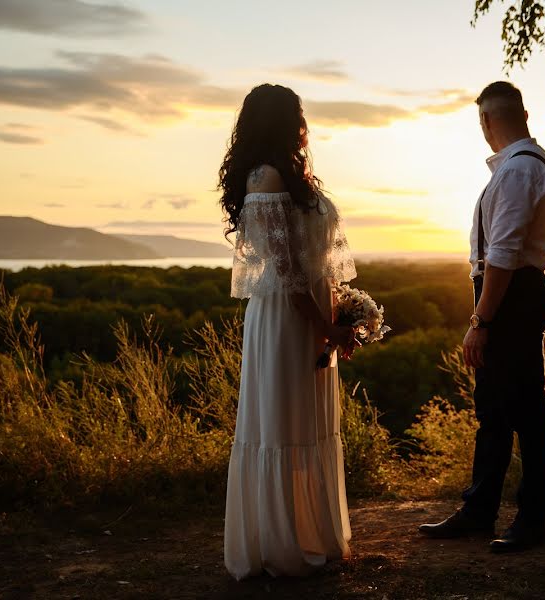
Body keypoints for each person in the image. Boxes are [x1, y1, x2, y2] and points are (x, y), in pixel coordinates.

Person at [419, 81, 545, 552]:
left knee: (526, 413)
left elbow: (501, 254)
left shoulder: (519, 172)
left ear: (486, 122)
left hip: (510, 296)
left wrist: (481, 322)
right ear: (522, 113)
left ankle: (531, 522)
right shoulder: (523, 166)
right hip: (512, 293)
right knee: (495, 412)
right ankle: (480, 511)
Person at [219, 83, 357, 579]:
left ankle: (308, 533)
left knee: (307, 423)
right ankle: (281, 545)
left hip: (313, 311)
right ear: (281, 120)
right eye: (297, 114)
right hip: (286, 318)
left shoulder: (295, 175)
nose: (304, 122)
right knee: (282, 424)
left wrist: (340, 316)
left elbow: (322, 263)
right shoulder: (267, 176)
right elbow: (288, 270)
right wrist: (324, 326)